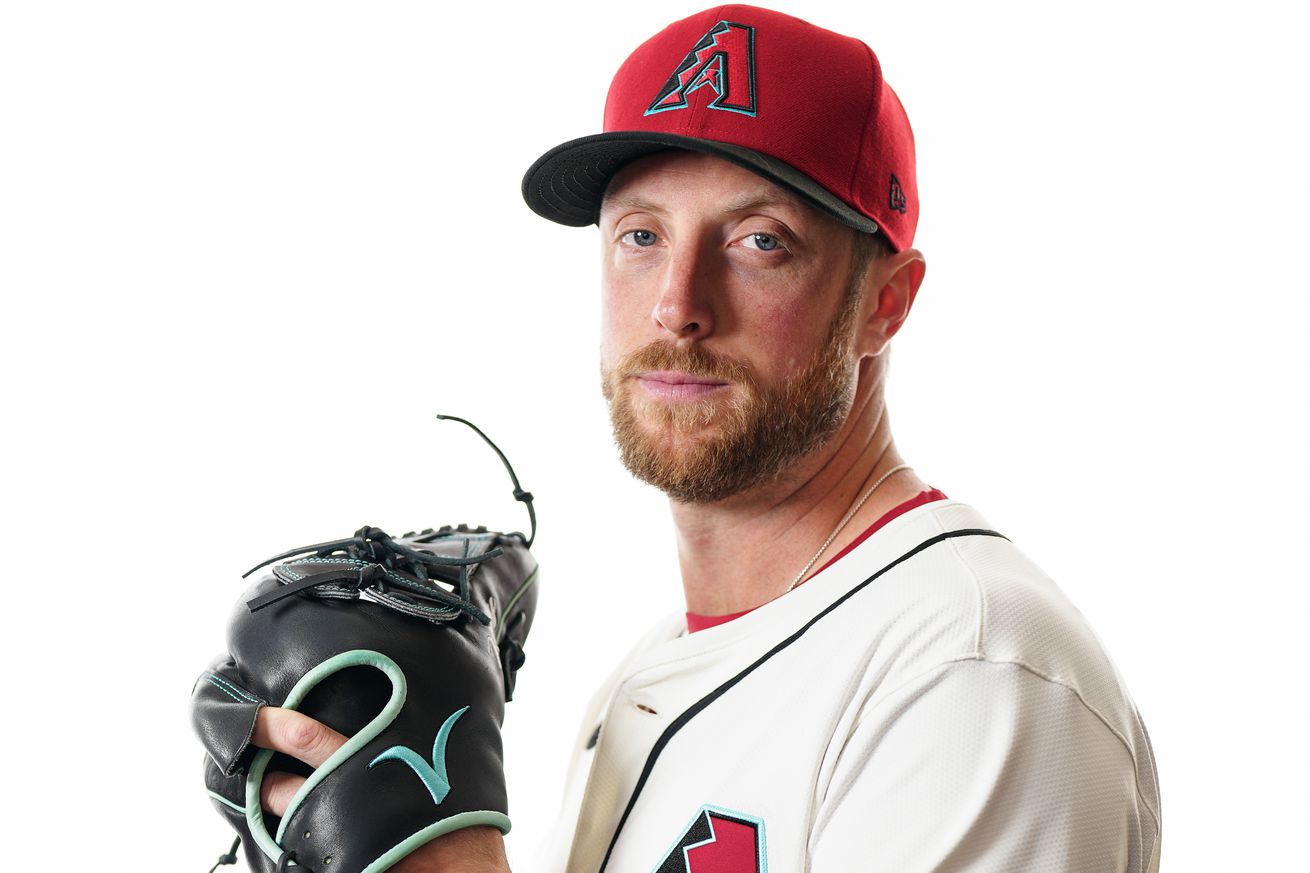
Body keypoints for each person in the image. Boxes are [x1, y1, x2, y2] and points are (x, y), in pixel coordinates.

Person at [244, 6, 1161, 871]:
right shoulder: (643, 675)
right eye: (640, 235)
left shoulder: (973, 673)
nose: (677, 305)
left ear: (886, 302)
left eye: (760, 242)